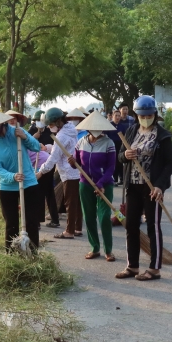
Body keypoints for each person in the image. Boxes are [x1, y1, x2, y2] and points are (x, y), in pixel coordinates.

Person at [116, 95, 172, 281]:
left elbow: (170, 163)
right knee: (131, 225)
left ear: (154, 114)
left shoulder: (162, 135)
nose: (145, 118)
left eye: (149, 115)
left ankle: (154, 268)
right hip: (133, 186)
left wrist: (159, 186)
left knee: (153, 226)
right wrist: (126, 154)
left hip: (152, 187)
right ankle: (132, 266)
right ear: (136, 115)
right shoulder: (131, 131)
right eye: (142, 115)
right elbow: (120, 157)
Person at [0, 108, 42, 251]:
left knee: (31, 222)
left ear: (0, 124)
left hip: (29, 183)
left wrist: (25, 137)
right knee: (11, 223)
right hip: (7, 187)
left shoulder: (18, 132)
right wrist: (12, 176)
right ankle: (11, 255)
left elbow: (37, 147)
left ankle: (32, 254)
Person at [74, 111, 118, 262]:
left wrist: (101, 183)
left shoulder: (109, 143)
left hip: (104, 185)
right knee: (89, 217)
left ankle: (109, 250)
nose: (97, 130)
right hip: (85, 184)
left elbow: (111, 168)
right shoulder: (81, 142)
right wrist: (72, 163)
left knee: (104, 217)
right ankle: (95, 248)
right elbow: (77, 163)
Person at [37, 108, 83, 238]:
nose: (50, 127)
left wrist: (41, 172)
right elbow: (60, 150)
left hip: (69, 172)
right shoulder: (71, 130)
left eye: (51, 124)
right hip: (76, 171)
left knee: (70, 202)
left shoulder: (61, 136)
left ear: (58, 122)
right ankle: (78, 228)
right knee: (76, 202)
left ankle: (69, 231)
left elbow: (54, 157)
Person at [29, 109, 61, 228]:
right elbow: (27, 142)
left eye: (41, 121)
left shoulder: (50, 132)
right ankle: (42, 220)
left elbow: (55, 145)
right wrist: (35, 136)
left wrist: (47, 147)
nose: (39, 123)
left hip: (47, 163)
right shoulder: (31, 131)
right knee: (42, 192)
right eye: (37, 121)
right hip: (35, 165)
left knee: (45, 191)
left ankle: (48, 220)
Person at [111, 110, 125, 185]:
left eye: (119, 116)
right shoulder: (109, 125)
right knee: (113, 162)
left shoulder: (122, 126)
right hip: (111, 145)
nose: (117, 117)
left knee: (120, 162)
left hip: (120, 145)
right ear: (113, 116)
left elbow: (125, 136)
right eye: (116, 115)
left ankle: (122, 178)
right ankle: (114, 178)